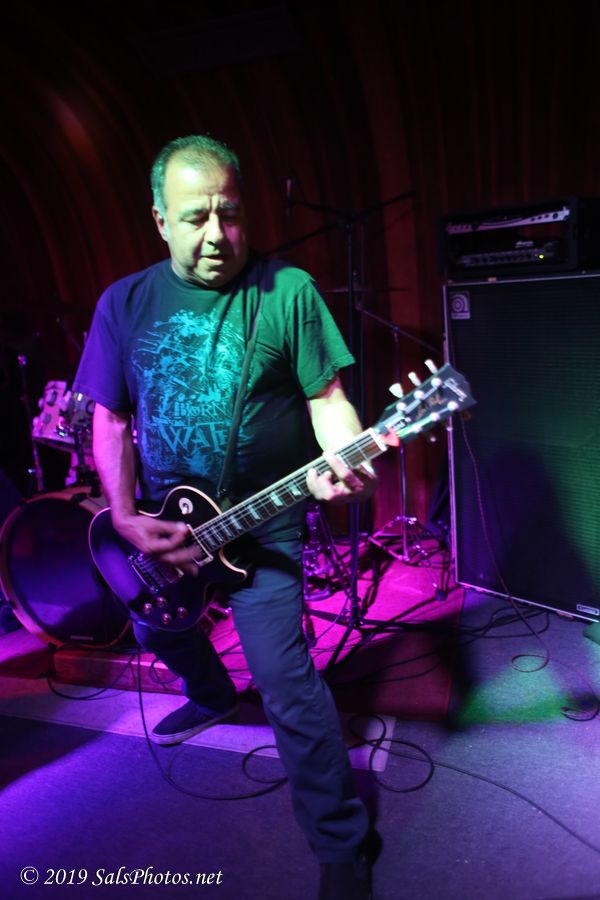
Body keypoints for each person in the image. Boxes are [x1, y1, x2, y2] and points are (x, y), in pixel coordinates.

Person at [74, 135, 380, 900]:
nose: (217, 234)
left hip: (263, 528)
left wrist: (344, 457)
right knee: (156, 628)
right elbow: (110, 419)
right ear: (159, 221)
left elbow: (328, 401)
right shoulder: (123, 304)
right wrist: (124, 517)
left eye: (231, 214)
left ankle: (342, 840)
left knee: (284, 679)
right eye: (196, 217)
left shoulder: (288, 292)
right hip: (165, 524)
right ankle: (210, 694)